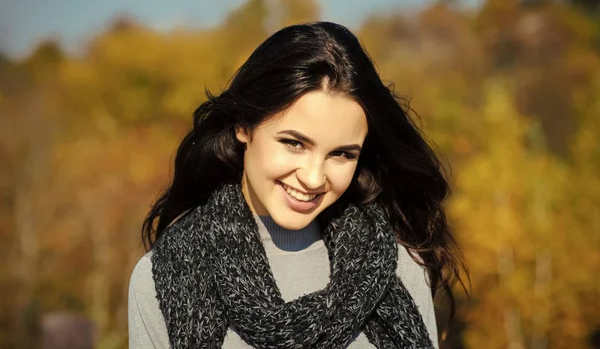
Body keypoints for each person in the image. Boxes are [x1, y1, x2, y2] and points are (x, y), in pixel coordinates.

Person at [128, 21, 466, 348]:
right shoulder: (162, 277)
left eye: (341, 154)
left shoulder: (400, 265)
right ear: (243, 126)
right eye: (294, 143)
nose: (313, 177)